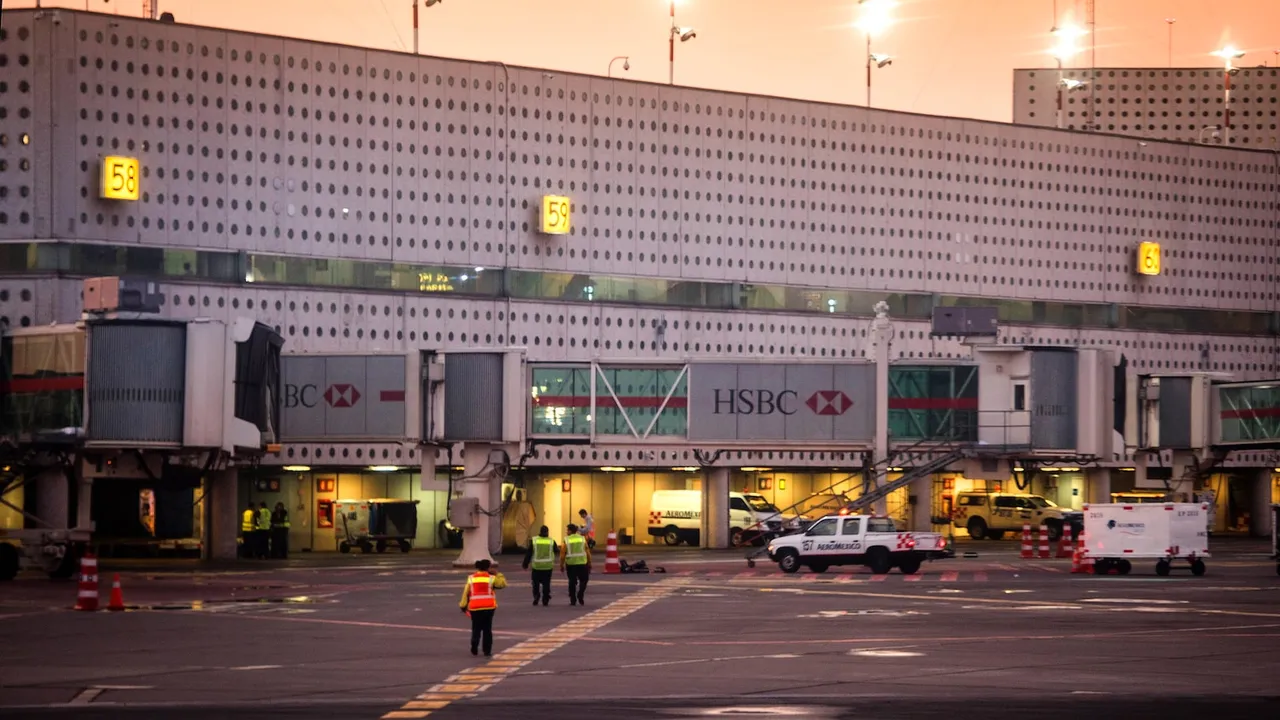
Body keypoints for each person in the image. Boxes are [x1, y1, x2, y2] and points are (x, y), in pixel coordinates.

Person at [459, 559, 507, 657]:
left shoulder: (471, 578)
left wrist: (463, 605)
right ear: (488, 567)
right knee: (487, 629)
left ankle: (474, 645)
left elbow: (466, 592)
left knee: (476, 628)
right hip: (489, 607)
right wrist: (498, 574)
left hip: (475, 607)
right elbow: (502, 584)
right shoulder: (491, 578)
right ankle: (487, 650)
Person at [521, 525, 558, 606]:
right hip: (548, 566)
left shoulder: (534, 540)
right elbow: (556, 551)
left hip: (536, 566)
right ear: (547, 532)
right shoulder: (551, 541)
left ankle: (536, 596)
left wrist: (525, 564)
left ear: (540, 532)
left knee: (535, 583)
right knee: (546, 583)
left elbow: (529, 554)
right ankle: (545, 599)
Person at [560, 523, 591, 606]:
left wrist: (561, 565)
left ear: (570, 531)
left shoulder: (566, 540)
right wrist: (589, 563)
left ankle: (573, 599)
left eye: (567, 530)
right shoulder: (582, 539)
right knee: (584, 580)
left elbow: (562, 554)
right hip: (582, 563)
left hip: (571, 564)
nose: (566, 532)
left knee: (572, 582)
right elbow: (587, 552)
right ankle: (580, 593)